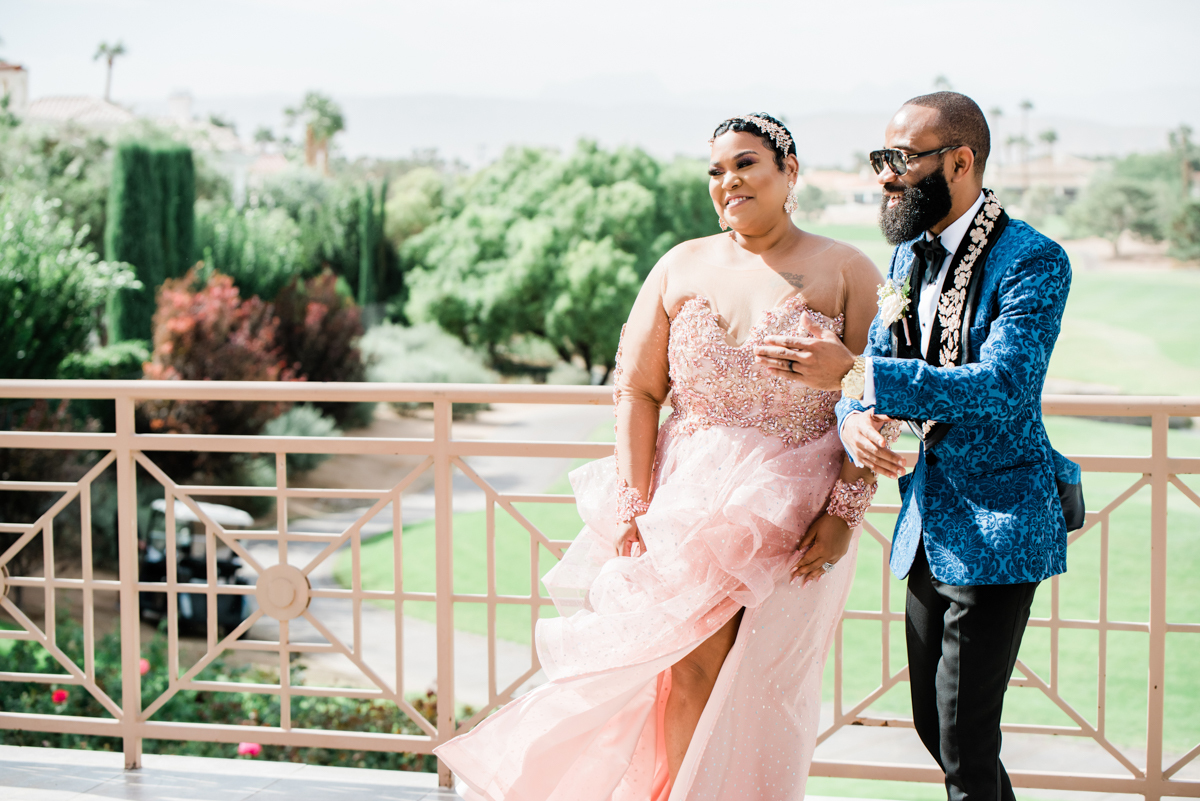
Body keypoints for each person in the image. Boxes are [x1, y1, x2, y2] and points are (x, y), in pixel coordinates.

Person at [434, 113, 883, 800]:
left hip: (796, 502)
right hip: (686, 505)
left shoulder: (847, 269)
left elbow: (869, 394)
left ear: (790, 171)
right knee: (687, 670)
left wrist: (845, 509)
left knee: (765, 683)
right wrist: (633, 504)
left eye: (746, 163)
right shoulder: (680, 264)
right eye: (715, 170)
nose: (728, 180)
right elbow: (638, 389)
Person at [754, 92, 1075, 801]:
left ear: (960, 162)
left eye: (900, 160)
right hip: (925, 523)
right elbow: (862, 380)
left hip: (999, 527)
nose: (884, 176)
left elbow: (1000, 387)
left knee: (964, 741)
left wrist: (856, 374)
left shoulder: (1034, 261)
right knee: (939, 728)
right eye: (881, 159)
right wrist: (855, 421)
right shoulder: (905, 258)